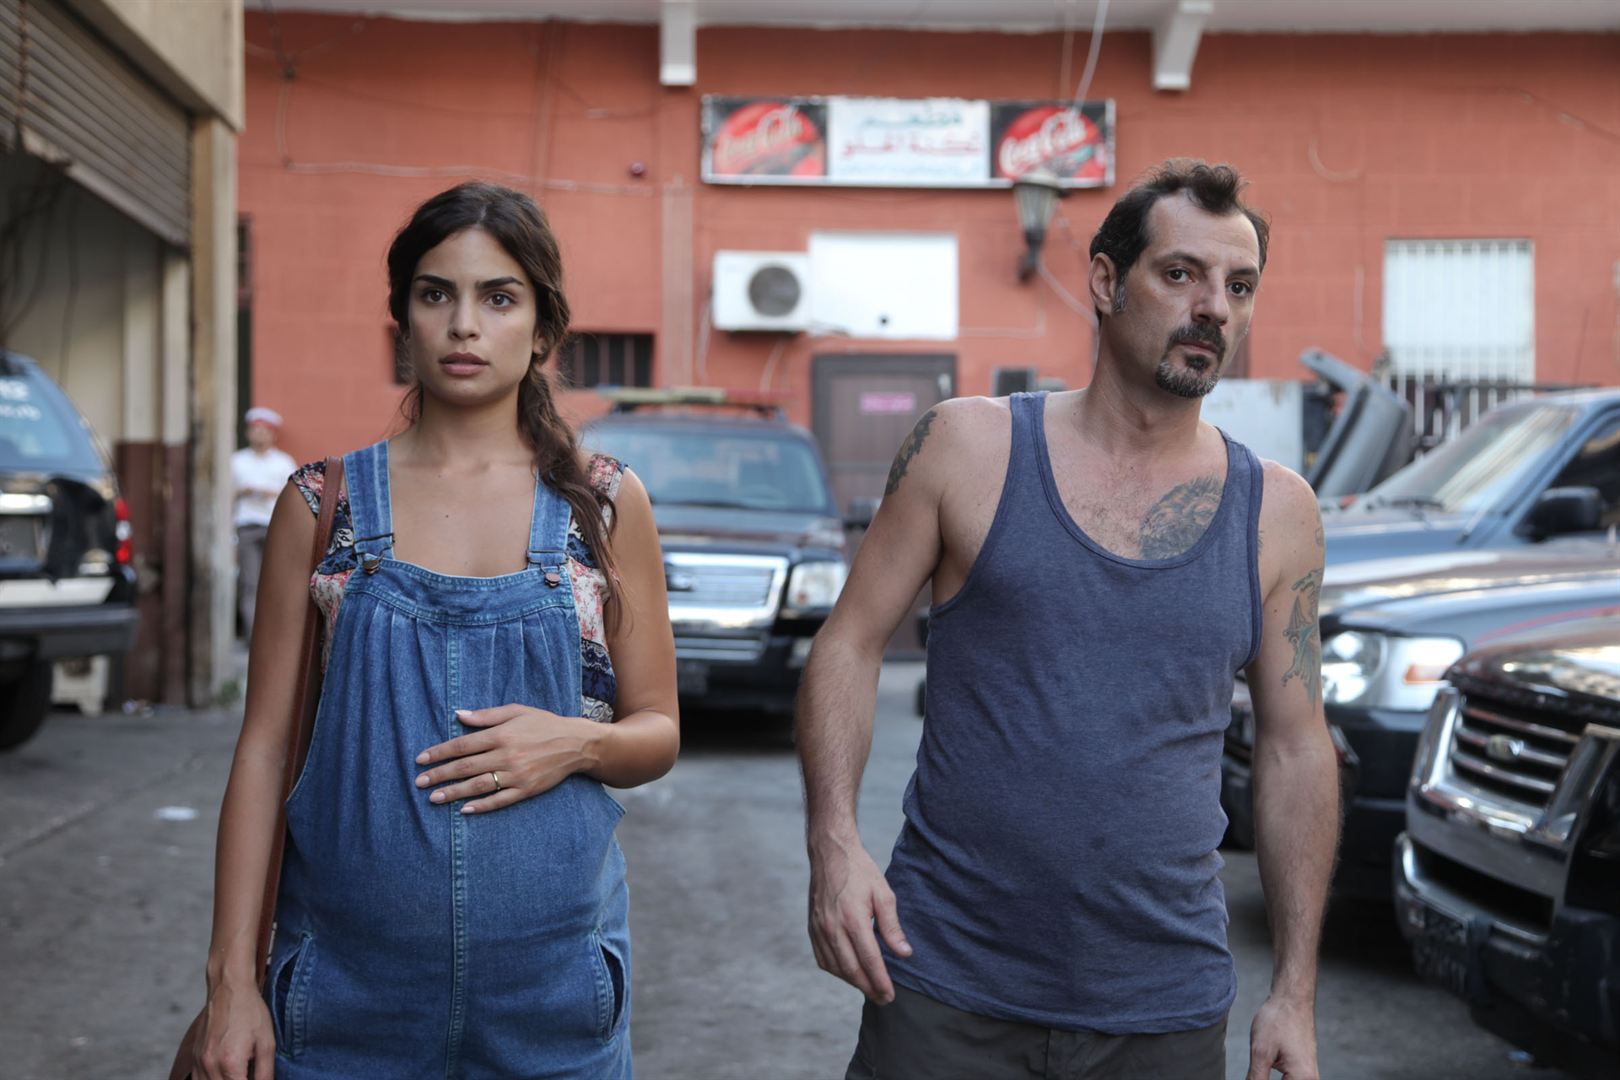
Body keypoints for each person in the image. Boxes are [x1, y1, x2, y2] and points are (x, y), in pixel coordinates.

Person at [798, 160, 1339, 1080]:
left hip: (1161, 1010)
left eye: (1239, 286)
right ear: (1103, 281)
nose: (1213, 307)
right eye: (1180, 274)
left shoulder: (1279, 514)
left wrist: (1294, 990)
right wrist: (834, 844)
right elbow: (847, 644)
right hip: (945, 989)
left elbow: (1295, 749)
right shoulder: (966, 448)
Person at [191, 182, 679, 1080]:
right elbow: (261, 750)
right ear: (403, 320)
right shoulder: (321, 506)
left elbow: (658, 730)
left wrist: (574, 744)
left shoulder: (604, 503)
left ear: (542, 330)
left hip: (553, 1006)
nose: (463, 324)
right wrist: (230, 984)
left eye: (499, 298)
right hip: (343, 1000)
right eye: (435, 293)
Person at [230, 407, 296, 642]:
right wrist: (243, 492)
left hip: (274, 526)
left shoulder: (284, 462)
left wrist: (270, 493)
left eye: (264, 431)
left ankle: (276, 637)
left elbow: (294, 496)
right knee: (250, 583)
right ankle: (254, 637)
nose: (259, 435)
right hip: (247, 526)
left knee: (277, 581)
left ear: (273, 434)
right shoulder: (236, 461)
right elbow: (225, 494)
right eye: (255, 430)